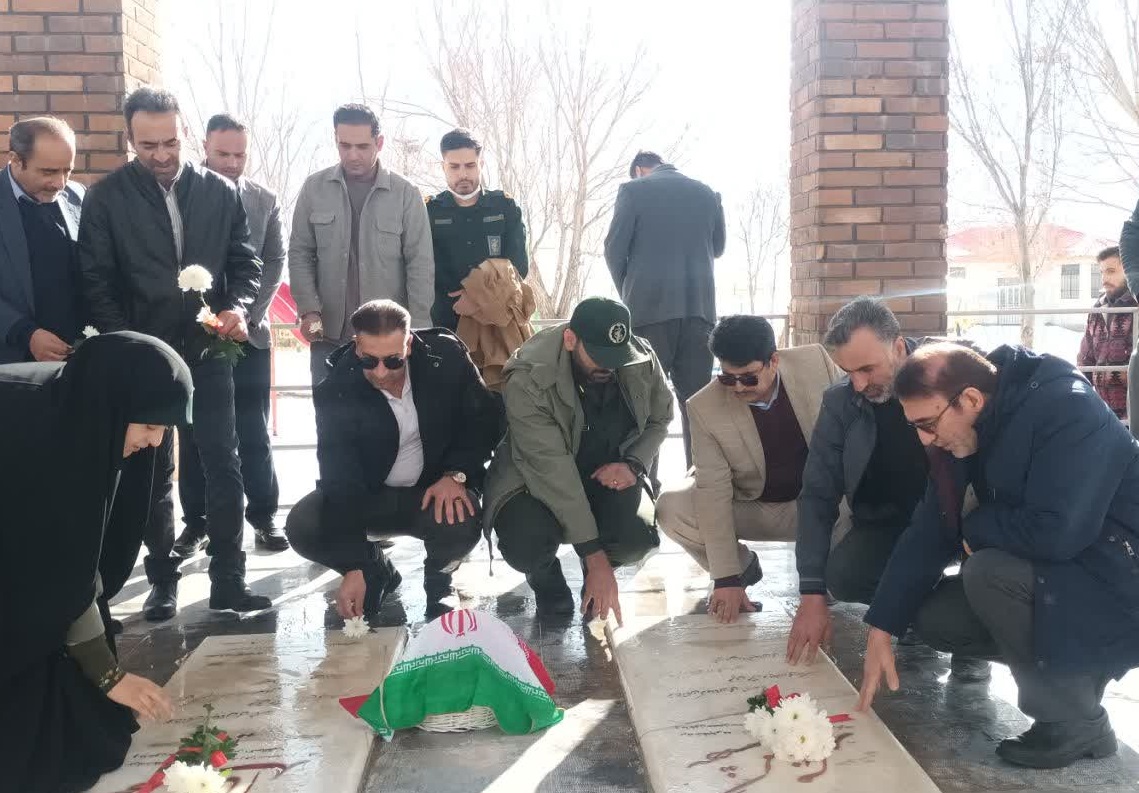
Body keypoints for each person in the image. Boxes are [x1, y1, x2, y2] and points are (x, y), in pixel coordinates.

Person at [858, 342, 1139, 769]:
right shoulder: (968, 427)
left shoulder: (1067, 407)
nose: (924, 439)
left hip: (1117, 575)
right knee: (938, 618)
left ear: (970, 398)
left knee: (987, 572)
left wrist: (973, 527)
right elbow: (930, 529)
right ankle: (1074, 671)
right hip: (1062, 574)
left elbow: (1058, 534)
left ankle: (1075, 718)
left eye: (928, 424)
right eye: (915, 426)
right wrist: (882, 628)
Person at [79, 86, 271, 620]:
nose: (161, 155)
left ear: (184, 133)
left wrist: (237, 308)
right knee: (154, 471)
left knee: (223, 462)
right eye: (148, 145)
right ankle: (162, 580)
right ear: (129, 139)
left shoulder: (220, 191)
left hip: (210, 349)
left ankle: (229, 580)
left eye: (170, 142)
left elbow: (246, 263)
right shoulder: (106, 198)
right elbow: (96, 282)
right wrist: (131, 349)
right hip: (147, 357)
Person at [0, 332, 190, 793]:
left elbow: (80, 559)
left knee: (87, 723)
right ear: (114, 406)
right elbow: (50, 570)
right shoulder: (39, 441)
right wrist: (108, 675)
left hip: (27, 567)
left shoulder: (86, 414)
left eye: (165, 430)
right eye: (149, 426)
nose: (154, 441)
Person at [785, 297, 990, 681]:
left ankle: (968, 636)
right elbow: (817, 494)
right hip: (891, 523)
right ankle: (910, 615)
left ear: (898, 347)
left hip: (968, 519)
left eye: (867, 368)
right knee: (844, 574)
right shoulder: (841, 403)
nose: (859, 384)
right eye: (848, 372)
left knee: (978, 578)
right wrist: (811, 592)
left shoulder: (953, 373)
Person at [285, 300, 502, 620]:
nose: (381, 371)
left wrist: (456, 474)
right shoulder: (336, 389)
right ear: (356, 346)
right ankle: (376, 571)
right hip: (370, 496)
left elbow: (483, 422)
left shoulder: (447, 358)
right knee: (304, 524)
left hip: (433, 491)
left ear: (409, 344)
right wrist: (354, 565)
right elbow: (339, 478)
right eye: (369, 360)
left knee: (461, 514)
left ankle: (440, 584)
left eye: (393, 360)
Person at [484, 297, 673, 621]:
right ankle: (547, 582)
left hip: (608, 472)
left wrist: (633, 464)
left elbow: (661, 418)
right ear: (570, 339)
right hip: (536, 481)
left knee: (637, 537)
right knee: (525, 542)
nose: (609, 368)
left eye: (617, 358)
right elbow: (551, 470)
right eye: (599, 357)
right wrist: (592, 552)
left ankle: (595, 577)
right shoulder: (528, 376)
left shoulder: (640, 357)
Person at [656, 315, 842, 623]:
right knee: (672, 507)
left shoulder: (817, 365)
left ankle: (833, 570)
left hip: (826, 507)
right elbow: (712, 490)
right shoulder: (703, 408)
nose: (738, 387)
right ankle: (743, 567)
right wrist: (726, 577)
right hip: (755, 507)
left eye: (749, 378)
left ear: (773, 361)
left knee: (849, 564)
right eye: (728, 379)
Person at [173, 113, 288, 557]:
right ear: (204, 146)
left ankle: (264, 516)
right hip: (194, 337)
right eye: (223, 154)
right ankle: (197, 522)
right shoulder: (182, 193)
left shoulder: (264, 199)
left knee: (253, 430)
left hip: (248, 334)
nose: (232, 163)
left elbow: (273, 262)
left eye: (240, 155)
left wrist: (246, 317)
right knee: (194, 432)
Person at [289, 103, 434, 385]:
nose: (352, 155)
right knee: (329, 412)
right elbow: (300, 253)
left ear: (379, 143)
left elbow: (420, 264)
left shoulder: (406, 194)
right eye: (344, 146)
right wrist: (308, 309)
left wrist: (417, 330)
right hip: (328, 335)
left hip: (387, 343)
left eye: (362, 146)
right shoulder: (313, 189)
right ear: (335, 140)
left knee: (390, 413)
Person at [603, 150, 726, 468]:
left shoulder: (632, 191)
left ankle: (645, 481)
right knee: (697, 406)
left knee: (644, 405)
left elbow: (613, 250)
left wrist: (629, 292)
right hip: (699, 313)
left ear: (639, 170)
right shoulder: (706, 192)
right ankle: (699, 481)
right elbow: (718, 247)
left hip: (647, 314)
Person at [0, 117, 85, 364]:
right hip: (11, 364)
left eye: (67, 170)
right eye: (48, 172)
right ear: (15, 160)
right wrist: (25, 334)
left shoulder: (78, 195)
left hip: (75, 359)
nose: (60, 183)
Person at [425, 128, 528, 330]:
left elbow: (518, 268)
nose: (463, 174)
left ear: (481, 164)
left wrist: (478, 298)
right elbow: (420, 269)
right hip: (445, 325)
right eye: (454, 167)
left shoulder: (504, 206)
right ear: (443, 167)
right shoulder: (428, 211)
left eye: (470, 165)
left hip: (497, 323)